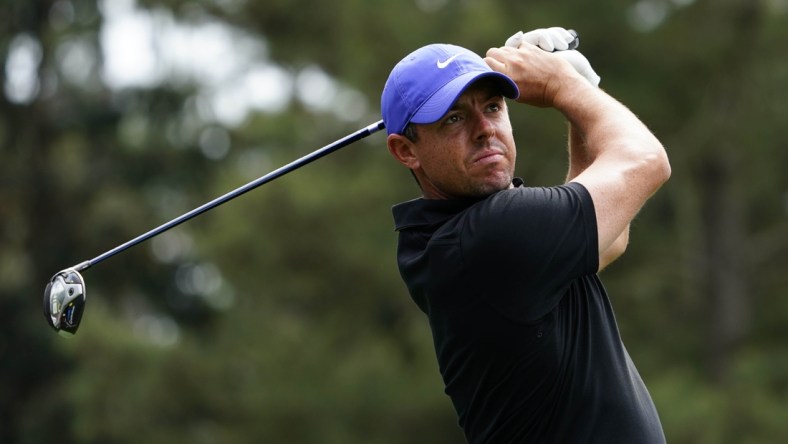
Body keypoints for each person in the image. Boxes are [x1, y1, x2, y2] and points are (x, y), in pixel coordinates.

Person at [381, 27, 671, 443]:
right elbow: (646, 161)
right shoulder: (488, 236)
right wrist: (560, 85)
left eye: (494, 107)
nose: (485, 129)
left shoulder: (454, 239)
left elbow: (610, 237)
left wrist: (575, 95)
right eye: (455, 118)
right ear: (406, 150)